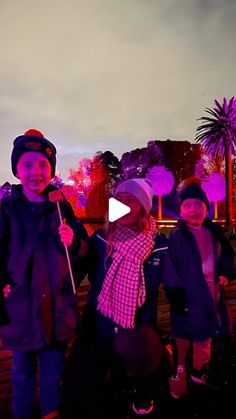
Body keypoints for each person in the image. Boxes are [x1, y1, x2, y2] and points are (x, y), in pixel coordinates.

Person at [61, 178, 168, 419]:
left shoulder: (159, 245)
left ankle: (142, 391)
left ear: (143, 206)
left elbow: (173, 278)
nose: (124, 204)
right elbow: (80, 265)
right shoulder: (100, 238)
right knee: (83, 378)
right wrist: (73, 248)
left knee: (144, 354)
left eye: (131, 200)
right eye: (119, 199)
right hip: (100, 319)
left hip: (138, 324)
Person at [0, 129, 88, 419]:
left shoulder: (61, 208)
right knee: (21, 371)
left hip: (58, 310)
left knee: (53, 370)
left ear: (51, 170)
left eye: (42, 165)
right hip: (21, 308)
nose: (35, 172)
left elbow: (83, 251)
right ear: (16, 169)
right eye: (27, 165)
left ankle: (51, 411)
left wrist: (73, 241)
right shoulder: (7, 209)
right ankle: (21, 412)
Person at [163, 179, 236, 399]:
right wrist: (175, 293)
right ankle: (180, 370)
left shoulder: (214, 233)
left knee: (204, 335)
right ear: (181, 210)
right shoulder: (177, 237)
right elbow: (171, 266)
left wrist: (226, 273)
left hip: (210, 296)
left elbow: (227, 257)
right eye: (188, 206)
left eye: (198, 205)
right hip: (186, 297)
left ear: (206, 208)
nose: (193, 210)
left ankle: (199, 370)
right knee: (183, 334)